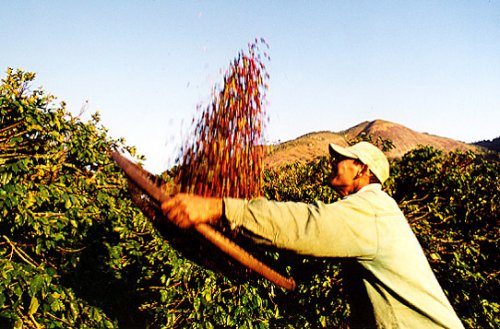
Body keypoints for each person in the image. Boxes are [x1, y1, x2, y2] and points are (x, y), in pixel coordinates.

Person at [162, 141, 464, 328]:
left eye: (342, 159)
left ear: (362, 170)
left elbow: (307, 225)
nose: (334, 162)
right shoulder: (371, 210)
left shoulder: (370, 209)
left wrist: (222, 208)